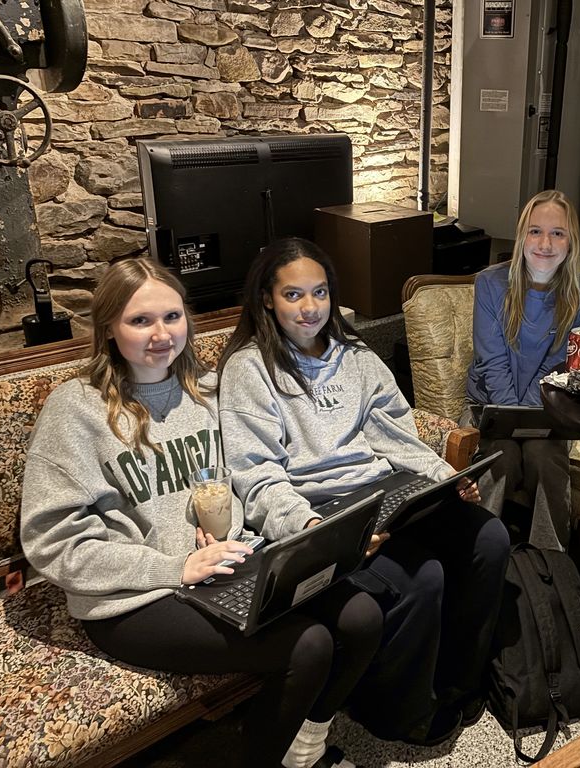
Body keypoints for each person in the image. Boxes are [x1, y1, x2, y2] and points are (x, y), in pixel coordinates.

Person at [20, 258, 382, 768]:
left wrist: (303, 526)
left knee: (362, 616)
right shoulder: (76, 410)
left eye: (172, 317)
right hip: (133, 598)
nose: (161, 334)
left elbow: (254, 477)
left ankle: (304, 748)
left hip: (225, 568)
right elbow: (51, 542)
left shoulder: (209, 390)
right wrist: (172, 567)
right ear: (108, 329)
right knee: (308, 644)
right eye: (140, 320)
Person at [217, 238, 510, 747]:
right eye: (293, 295)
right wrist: (312, 530)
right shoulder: (250, 369)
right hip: (320, 511)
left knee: (488, 538)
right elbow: (256, 475)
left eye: (320, 292)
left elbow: (396, 432)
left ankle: (459, 681)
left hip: (385, 491)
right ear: (267, 299)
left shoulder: (354, 354)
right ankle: (398, 712)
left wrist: (444, 477)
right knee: (423, 578)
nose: (310, 308)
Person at [464, 189, 580, 550]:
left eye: (558, 233)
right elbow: (492, 361)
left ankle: (551, 561)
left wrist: (528, 421)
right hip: (490, 404)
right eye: (535, 231)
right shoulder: (490, 283)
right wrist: (513, 419)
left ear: (571, 242)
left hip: (545, 405)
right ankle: (478, 556)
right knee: (500, 458)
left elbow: (558, 365)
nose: (545, 243)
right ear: (522, 235)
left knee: (546, 460)